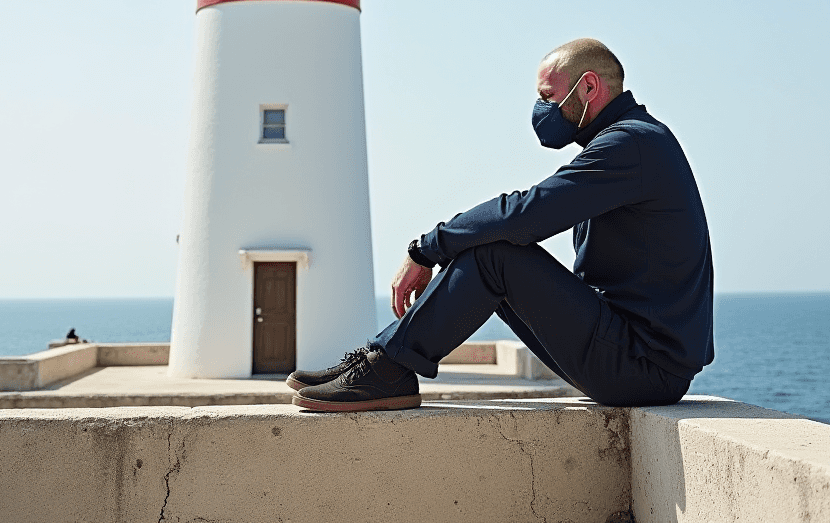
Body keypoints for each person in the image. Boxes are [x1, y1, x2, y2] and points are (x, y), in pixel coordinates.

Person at [288, 38, 714, 412]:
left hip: (642, 367)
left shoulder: (631, 144)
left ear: (588, 87)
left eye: (548, 96)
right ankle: (385, 356)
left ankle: (389, 367)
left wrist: (426, 249)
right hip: (631, 356)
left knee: (495, 254)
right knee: (489, 248)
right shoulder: (629, 143)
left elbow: (524, 214)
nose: (541, 109)